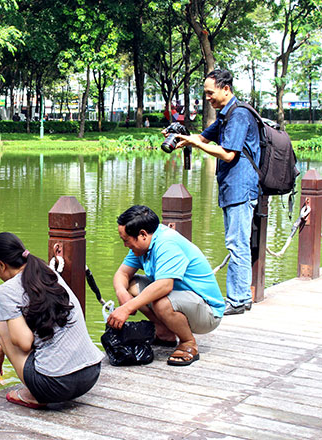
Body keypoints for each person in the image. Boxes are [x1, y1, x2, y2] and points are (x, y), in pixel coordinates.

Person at [174, 69, 260, 315]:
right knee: (235, 241)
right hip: (231, 188)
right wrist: (179, 137)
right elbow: (201, 137)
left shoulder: (239, 115)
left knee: (237, 243)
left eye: (210, 93)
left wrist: (196, 144)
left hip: (241, 188)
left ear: (226, 89)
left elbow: (228, 153)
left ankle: (239, 298)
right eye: (205, 94)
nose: (207, 98)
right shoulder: (224, 116)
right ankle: (239, 295)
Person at [0, 232, 103, 408]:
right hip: (91, 374)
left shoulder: (7, 290)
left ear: (1, 265)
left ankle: (33, 395)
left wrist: (5, 342)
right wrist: (0, 352)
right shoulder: (47, 273)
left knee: (2, 326)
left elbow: (24, 342)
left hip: (55, 386)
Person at [109, 205, 224, 366]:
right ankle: (165, 331)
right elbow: (122, 274)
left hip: (208, 313)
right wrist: (122, 293)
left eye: (126, 240)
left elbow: (165, 285)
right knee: (131, 285)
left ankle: (188, 343)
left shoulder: (166, 243)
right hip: (183, 301)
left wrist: (126, 309)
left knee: (161, 302)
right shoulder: (143, 246)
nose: (125, 245)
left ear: (142, 234)